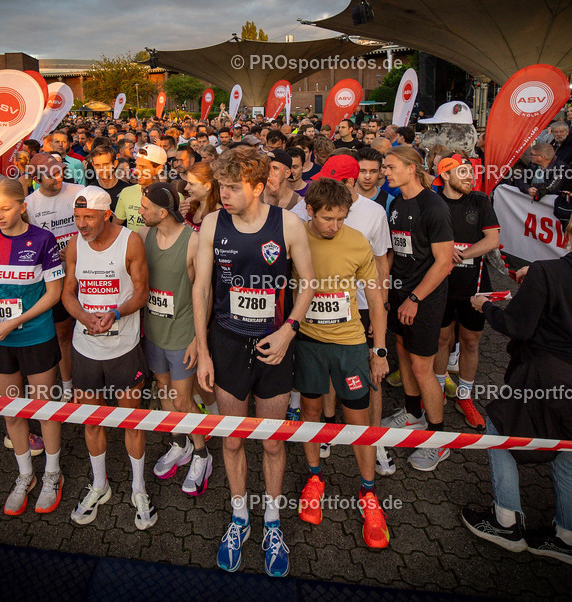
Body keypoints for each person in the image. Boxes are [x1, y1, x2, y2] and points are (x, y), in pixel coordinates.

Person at [462, 202, 572, 568]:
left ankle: (506, 522)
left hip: (544, 376)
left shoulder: (550, 271)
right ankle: (570, 538)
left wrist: (485, 306)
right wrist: (536, 280)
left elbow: (517, 326)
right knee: (568, 448)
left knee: (499, 432)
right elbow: (569, 297)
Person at [193, 147, 315, 577]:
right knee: (231, 439)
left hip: (275, 346)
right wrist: (204, 350)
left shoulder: (290, 225)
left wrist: (289, 329)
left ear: (259, 187)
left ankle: (273, 523)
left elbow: (308, 285)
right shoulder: (212, 223)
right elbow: (202, 290)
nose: (223, 195)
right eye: (220, 186)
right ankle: (240, 517)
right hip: (227, 344)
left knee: (273, 441)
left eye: (231, 187)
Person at [292, 178, 390, 549]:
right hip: (308, 341)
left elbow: (376, 298)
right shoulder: (296, 235)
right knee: (311, 410)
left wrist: (378, 351)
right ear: (311, 211)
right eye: (327, 218)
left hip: (349, 343)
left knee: (358, 419)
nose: (334, 226)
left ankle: (369, 494)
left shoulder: (356, 241)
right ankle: (315, 478)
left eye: (341, 218)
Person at [64, 186, 157, 530]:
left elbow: (141, 291)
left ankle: (138, 487)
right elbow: (68, 293)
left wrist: (115, 314)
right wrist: (83, 316)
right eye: (77, 217)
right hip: (86, 347)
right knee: (91, 420)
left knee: (131, 420)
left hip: (124, 347)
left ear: (106, 215)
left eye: (88, 217)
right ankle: (99, 484)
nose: (81, 224)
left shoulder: (130, 241)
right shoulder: (75, 244)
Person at [0, 178, 65, 516]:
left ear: (22, 207)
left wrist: (15, 320)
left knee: (44, 408)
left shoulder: (43, 239)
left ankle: (53, 474)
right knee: (11, 410)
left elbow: (54, 294)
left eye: (6, 209)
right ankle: (25, 475)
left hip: (36, 336)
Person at [379, 147, 454, 472]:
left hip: (424, 299)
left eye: (391, 166)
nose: (386, 171)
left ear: (412, 168)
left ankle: (438, 440)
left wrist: (415, 298)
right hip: (400, 292)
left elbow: (444, 263)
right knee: (402, 348)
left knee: (423, 366)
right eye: (384, 166)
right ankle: (412, 413)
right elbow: (396, 251)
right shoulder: (396, 203)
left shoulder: (433, 206)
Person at [139, 182, 213, 495]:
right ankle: (179, 442)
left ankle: (202, 454)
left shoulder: (193, 242)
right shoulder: (145, 237)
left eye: (144, 208)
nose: (140, 212)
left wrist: (200, 338)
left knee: (183, 399)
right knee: (165, 392)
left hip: (182, 333)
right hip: (154, 333)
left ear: (162, 211)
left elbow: (205, 293)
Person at [431, 155, 500, 431]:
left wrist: (459, 255)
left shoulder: (481, 200)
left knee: (470, 342)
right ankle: (435, 392)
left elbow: (492, 240)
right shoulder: (434, 202)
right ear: (445, 176)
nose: (470, 178)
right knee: (442, 339)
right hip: (442, 285)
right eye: (463, 173)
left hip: (475, 283)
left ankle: (465, 396)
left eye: (472, 173)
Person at [25, 153, 84, 404]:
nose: (58, 177)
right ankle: (69, 385)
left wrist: (76, 249)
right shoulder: (28, 204)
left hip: (86, 272)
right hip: (54, 277)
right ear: (37, 178)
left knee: (87, 328)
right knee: (63, 334)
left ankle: (92, 382)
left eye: (60, 171)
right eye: (51, 174)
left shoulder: (79, 192)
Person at [114, 144, 168, 232]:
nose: (135, 172)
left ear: (159, 168)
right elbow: (115, 226)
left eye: (143, 167)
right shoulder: (126, 192)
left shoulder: (171, 196)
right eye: (136, 166)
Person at [181, 161, 221, 232]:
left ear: (207, 186)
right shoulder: (190, 208)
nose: (186, 188)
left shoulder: (219, 216)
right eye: (187, 183)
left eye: (191, 184)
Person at [354, 147, 395, 215]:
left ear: (379, 173)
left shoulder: (389, 202)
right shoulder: (343, 197)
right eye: (362, 171)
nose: (367, 177)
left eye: (373, 171)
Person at [87, 144, 129, 209]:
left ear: (115, 164)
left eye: (106, 164)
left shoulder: (127, 190)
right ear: (93, 165)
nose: (101, 169)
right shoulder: (88, 192)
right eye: (97, 165)